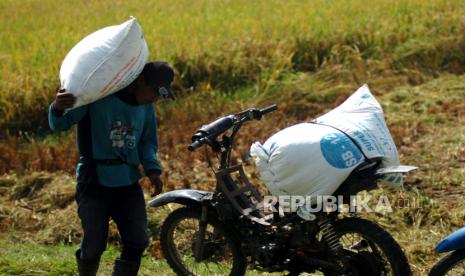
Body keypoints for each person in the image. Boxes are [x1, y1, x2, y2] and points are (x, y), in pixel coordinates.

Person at [48, 61, 175, 276]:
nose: (155, 98)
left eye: (159, 95)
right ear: (140, 81)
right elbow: (59, 124)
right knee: (95, 244)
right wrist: (58, 107)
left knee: (137, 240)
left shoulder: (146, 108)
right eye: (154, 91)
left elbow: (147, 142)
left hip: (128, 181)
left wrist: (153, 170)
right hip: (94, 180)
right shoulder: (98, 97)